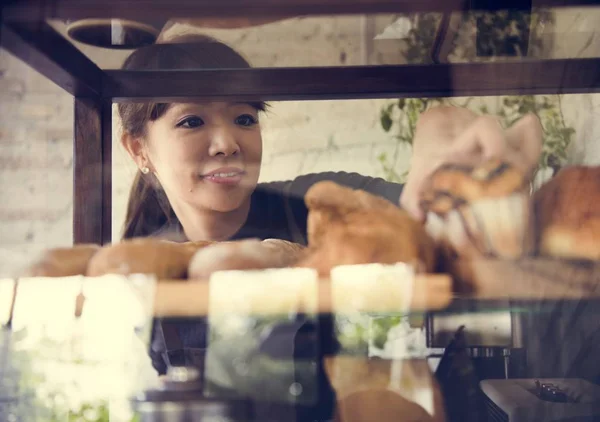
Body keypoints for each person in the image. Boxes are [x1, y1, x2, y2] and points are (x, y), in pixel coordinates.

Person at [118, 33, 545, 417]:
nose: (228, 143)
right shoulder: (139, 270)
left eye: (245, 118)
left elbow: (428, 218)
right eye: (191, 121)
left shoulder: (320, 205)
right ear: (139, 150)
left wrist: (443, 163)